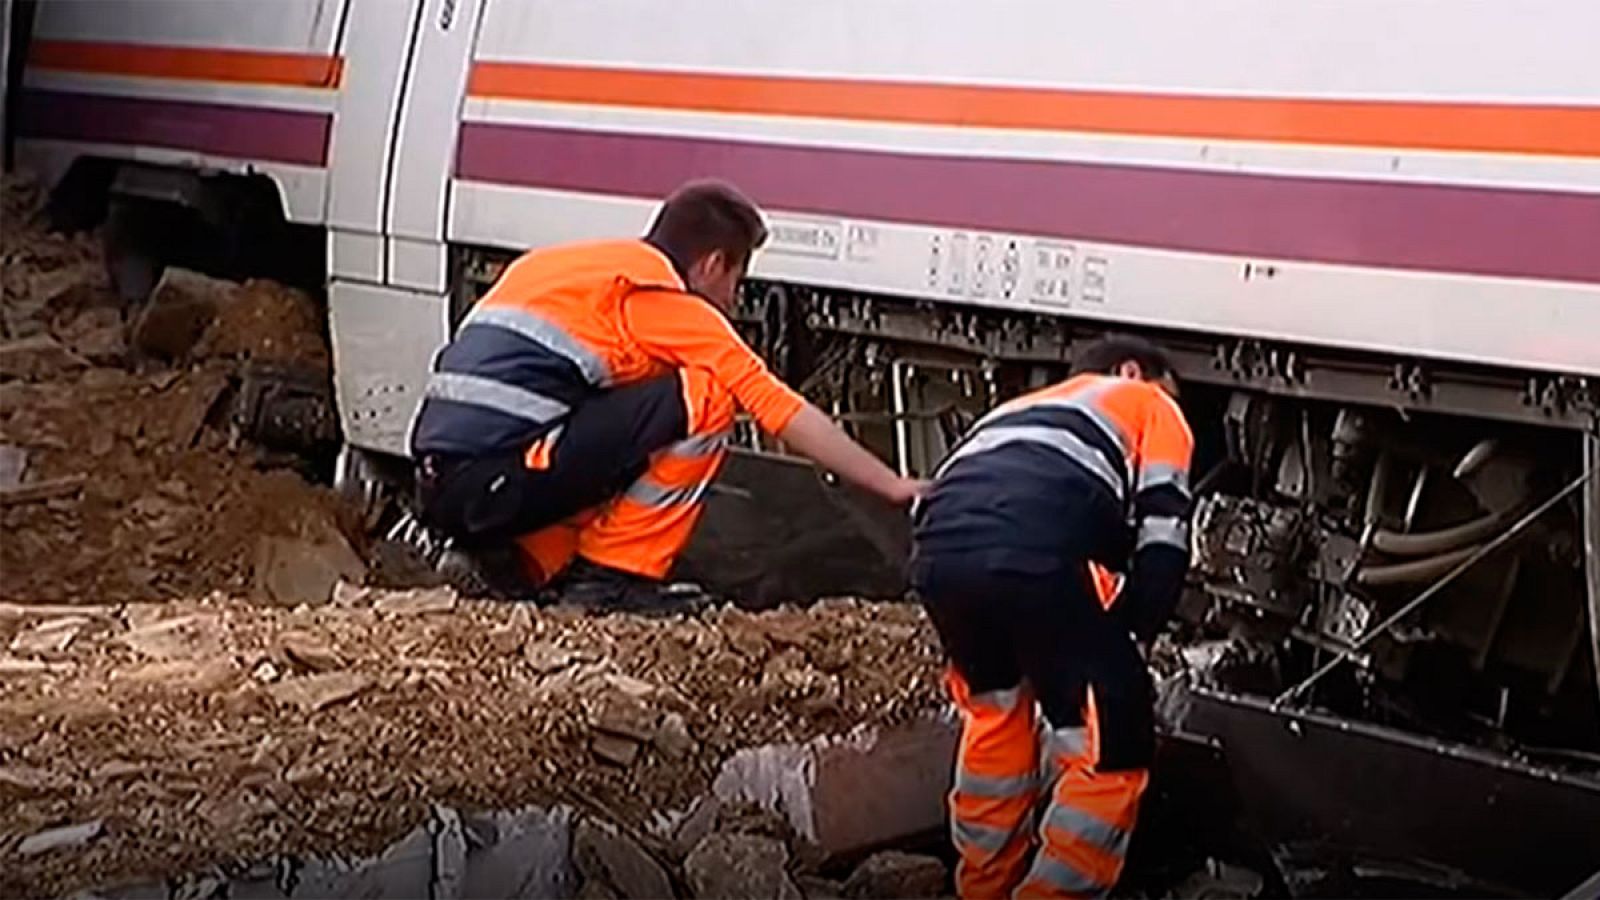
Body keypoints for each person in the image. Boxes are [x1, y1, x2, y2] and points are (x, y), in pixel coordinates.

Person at [409, 179, 922, 608]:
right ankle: (611, 579)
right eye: (737, 280)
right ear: (714, 264)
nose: (733, 299)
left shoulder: (561, 269)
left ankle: (513, 564)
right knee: (706, 395)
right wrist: (891, 485)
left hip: (442, 483)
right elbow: (777, 407)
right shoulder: (658, 296)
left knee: (623, 418)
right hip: (500, 478)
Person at [908, 336, 1195, 898]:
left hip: (939, 556)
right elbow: (1165, 532)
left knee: (996, 715)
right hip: (1040, 548)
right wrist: (1137, 631)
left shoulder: (1013, 413)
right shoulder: (1147, 402)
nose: (1177, 407)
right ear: (1132, 371)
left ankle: (982, 888)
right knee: (1112, 743)